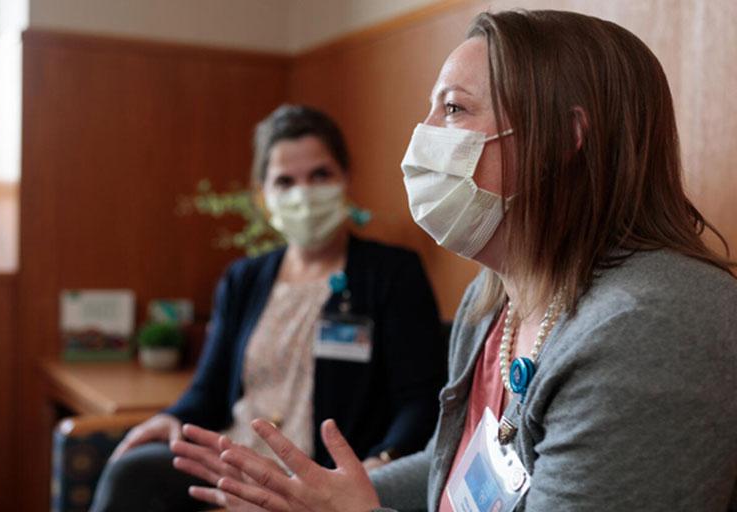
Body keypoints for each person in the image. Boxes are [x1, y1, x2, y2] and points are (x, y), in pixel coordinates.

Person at [171, 9, 737, 512]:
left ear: (566, 138)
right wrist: (330, 491)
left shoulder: (648, 326)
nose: (424, 136)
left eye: (453, 109)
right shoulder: (492, 297)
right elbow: (459, 469)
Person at [89, 105, 446, 511]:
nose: (304, 193)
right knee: (131, 473)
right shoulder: (244, 279)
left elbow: (419, 400)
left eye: (320, 175)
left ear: (345, 178)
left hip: (318, 482)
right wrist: (172, 417)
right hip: (235, 462)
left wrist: (380, 463)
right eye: (285, 181)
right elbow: (209, 389)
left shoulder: (391, 273)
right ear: (263, 196)